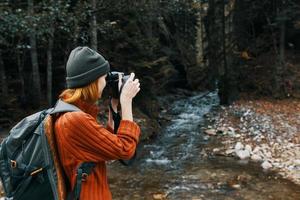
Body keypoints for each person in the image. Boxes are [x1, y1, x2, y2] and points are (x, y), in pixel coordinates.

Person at [54, 46, 141, 199]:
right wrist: (127, 102)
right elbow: (125, 149)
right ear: (92, 81)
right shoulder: (75, 120)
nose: (106, 82)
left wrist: (114, 105)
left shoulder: (68, 113)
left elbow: (105, 146)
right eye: (104, 77)